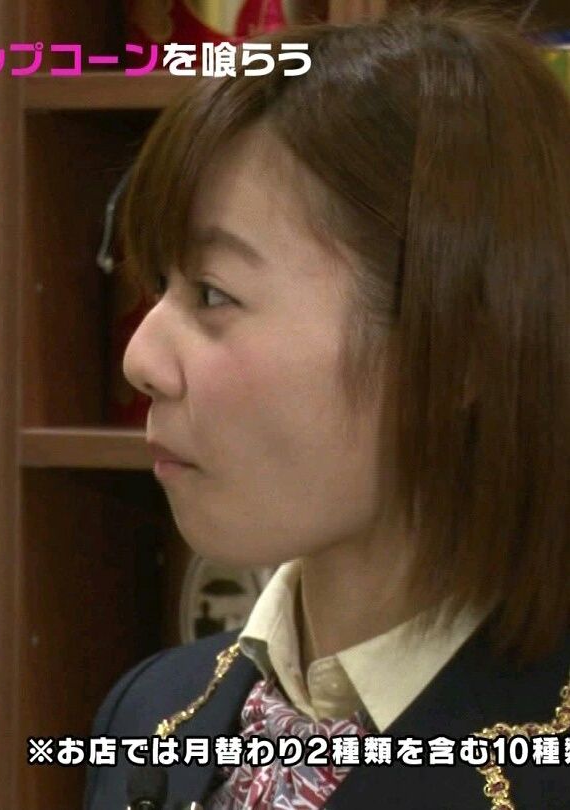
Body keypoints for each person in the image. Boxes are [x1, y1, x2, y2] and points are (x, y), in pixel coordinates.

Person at [84, 5, 570, 809]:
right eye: (157, 284)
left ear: (459, 345)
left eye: (213, 293)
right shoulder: (151, 709)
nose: (141, 359)